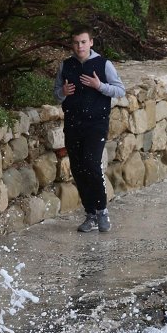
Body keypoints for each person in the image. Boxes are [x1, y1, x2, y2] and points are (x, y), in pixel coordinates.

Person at [53, 24, 125, 233]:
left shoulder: (103, 64)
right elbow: (56, 93)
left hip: (96, 123)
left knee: (92, 165)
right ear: (72, 44)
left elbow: (120, 90)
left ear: (91, 42)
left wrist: (99, 86)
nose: (80, 46)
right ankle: (90, 215)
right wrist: (63, 92)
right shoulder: (66, 65)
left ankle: (102, 211)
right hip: (73, 123)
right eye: (76, 43)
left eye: (83, 42)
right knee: (78, 169)